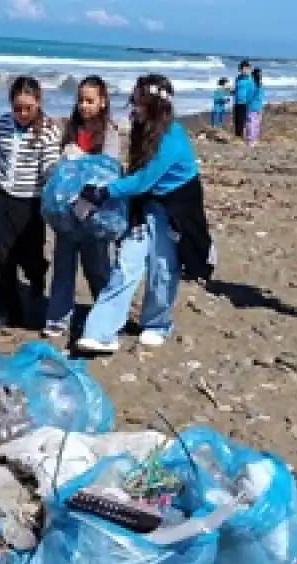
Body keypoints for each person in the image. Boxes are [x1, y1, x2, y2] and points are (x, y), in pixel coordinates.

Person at [75, 74, 215, 354]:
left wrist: (103, 192)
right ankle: (100, 331)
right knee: (126, 264)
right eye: (133, 101)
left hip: (176, 210)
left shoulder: (171, 138)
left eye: (139, 102)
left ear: (155, 105)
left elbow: (144, 180)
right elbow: (137, 178)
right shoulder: (142, 129)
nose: (134, 107)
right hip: (146, 205)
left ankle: (156, 323)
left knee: (163, 269)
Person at [0, 76, 62, 331]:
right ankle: (7, 310)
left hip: (31, 202)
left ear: (38, 103)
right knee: (2, 256)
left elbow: (50, 165)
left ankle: (38, 274)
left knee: (30, 254)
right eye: (17, 108)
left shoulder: (48, 130)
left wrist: (56, 181)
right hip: (2, 196)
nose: (22, 114)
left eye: (28, 108)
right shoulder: (3, 124)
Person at [43, 75, 118, 338]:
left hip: (95, 210)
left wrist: (82, 159)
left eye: (90, 100)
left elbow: (109, 169)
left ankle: (106, 314)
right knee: (63, 263)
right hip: (66, 209)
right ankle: (58, 318)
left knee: (97, 266)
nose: (84, 106)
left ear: (102, 102)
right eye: (81, 100)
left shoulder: (109, 131)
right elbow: (58, 166)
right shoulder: (71, 128)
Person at [232, 59, 253, 139]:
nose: (244, 70)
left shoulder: (250, 80)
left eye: (246, 69)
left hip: (245, 103)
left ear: (249, 69)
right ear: (240, 69)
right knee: (236, 121)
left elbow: (252, 92)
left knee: (242, 121)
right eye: (242, 69)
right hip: (237, 102)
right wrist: (230, 91)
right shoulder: (238, 78)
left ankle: (241, 138)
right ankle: (237, 137)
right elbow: (236, 90)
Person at [245, 68, 264, 146]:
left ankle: (251, 141)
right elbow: (260, 97)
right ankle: (254, 140)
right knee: (256, 124)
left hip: (252, 106)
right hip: (258, 106)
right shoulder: (260, 84)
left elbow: (249, 96)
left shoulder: (252, 84)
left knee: (251, 124)